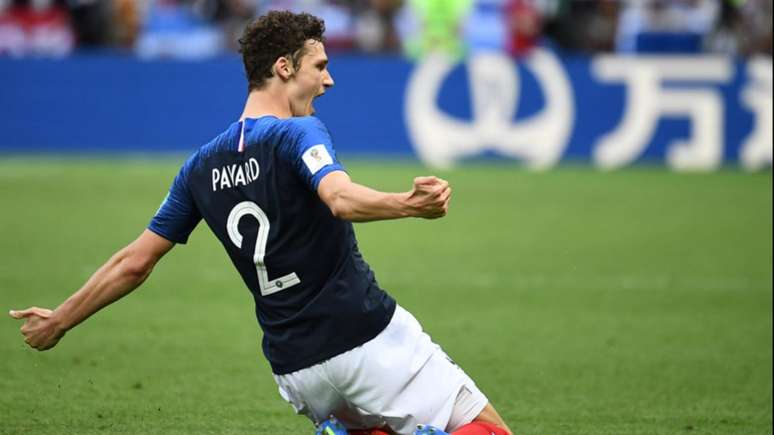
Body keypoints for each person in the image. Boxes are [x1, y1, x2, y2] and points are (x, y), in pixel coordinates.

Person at [9, 11, 512, 435]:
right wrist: (407, 203)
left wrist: (60, 319)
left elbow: (134, 262)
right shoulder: (296, 134)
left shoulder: (200, 166)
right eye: (320, 66)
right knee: (489, 428)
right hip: (365, 339)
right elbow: (337, 197)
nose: (329, 80)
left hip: (297, 370)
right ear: (283, 67)